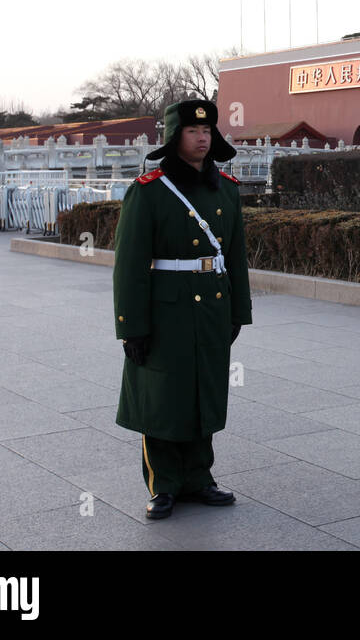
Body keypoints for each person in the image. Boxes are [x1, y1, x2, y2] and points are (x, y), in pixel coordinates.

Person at [113, 99, 253, 518]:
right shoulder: (149, 191)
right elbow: (130, 264)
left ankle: (199, 477)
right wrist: (131, 326)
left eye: (208, 130)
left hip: (211, 304)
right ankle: (164, 484)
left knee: (202, 391)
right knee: (162, 396)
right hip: (165, 307)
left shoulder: (226, 189)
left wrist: (237, 311)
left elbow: (236, 255)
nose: (203, 137)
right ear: (175, 139)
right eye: (193, 131)